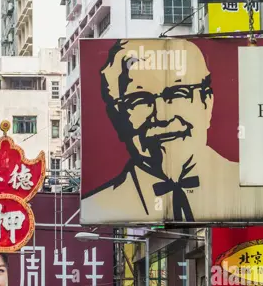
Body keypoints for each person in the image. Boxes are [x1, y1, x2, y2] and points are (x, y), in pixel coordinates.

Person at [81, 38, 263, 223]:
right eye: (139, 100)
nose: (162, 116)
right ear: (116, 117)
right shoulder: (98, 206)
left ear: (207, 103)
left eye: (177, 94)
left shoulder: (254, 193)